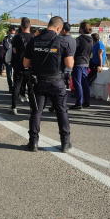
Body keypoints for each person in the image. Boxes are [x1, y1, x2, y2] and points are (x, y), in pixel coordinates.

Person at [23, 16, 74, 153]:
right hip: (57, 82)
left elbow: (25, 64)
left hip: (39, 82)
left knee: (36, 112)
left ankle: (33, 143)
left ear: (48, 25)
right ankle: (65, 143)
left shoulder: (34, 40)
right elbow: (70, 64)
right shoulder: (62, 41)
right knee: (61, 111)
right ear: (58, 28)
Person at [9, 17, 33, 115]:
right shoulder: (33, 38)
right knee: (31, 87)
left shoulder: (17, 37)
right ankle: (32, 108)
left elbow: (14, 50)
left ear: (21, 26)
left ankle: (14, 107)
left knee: (17, 86)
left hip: (19, 64)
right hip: (30, 66)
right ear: (30, 26)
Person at [70, 22, 93, 110]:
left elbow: (73, 50)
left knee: (77, 83)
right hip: (86, 63)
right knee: (85, 83)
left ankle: (79, 102)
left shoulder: (79, 39)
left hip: (78, 63)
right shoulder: (91, 39)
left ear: (81, 29)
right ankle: (87, 101)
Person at [61, 22, 76, 89]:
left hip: (62, 66)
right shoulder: (74, 40)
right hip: (71, 65)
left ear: (63, 30)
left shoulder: (61, 40)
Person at [3, 28, 16, 92]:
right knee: (9, 74)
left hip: (15, 58)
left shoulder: (16, 39)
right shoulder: (6, 39)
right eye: (12, 33)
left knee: (15, 74)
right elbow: (6, 47)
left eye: (14, 33)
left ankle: (15, 87)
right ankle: (10, 87)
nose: (13, 34)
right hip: (8, 58)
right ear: (9, 32)